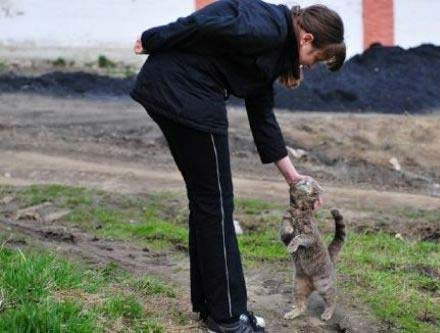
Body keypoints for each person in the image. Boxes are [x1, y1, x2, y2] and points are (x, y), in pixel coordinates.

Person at [130, 1, 345, 332]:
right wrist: (152, 37)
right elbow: (206, 22)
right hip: (185, 92)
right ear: (307, 39)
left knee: (208, 202)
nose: (313, 66)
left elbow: (262, 115)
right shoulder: (266, 28)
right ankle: (229, 318)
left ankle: (211, 307)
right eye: (318, 57)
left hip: (180, 92)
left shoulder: (275, 48)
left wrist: (293, 177)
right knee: (215, 203)